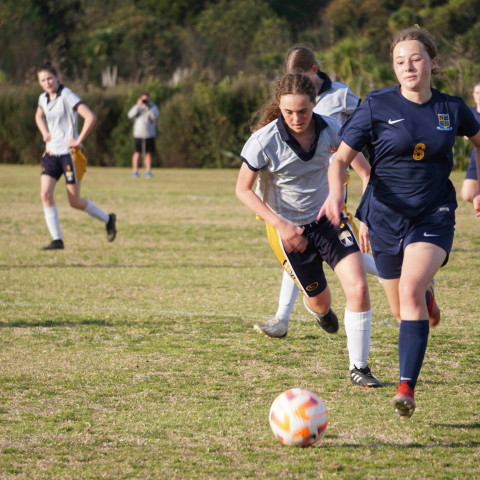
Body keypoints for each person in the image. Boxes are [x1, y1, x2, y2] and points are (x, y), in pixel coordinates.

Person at [320, 26, 480, 417]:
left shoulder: (452, 109)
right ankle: (425, 295)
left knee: (409, 291)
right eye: (399, 61)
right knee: (402, 308)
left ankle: (406, 386)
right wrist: (336, 193)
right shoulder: (376, 106)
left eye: (416, 58)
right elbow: (340, 158)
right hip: (385, 218)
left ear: (433, 62)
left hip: (434, 214)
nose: (408, 67)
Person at [236, 73, 383, 388]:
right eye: (288, 112)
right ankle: (319, 311)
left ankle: (359, 368)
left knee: (357, 286)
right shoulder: (264, 140)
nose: (296, 118)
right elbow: (243, 190)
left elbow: (364, 172)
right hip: (291, 232)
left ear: (314, 105)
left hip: (329, 221)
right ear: (280, 107)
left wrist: (348, 202)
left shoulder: (331, 129)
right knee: (321, 303)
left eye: (303, 111)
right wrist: (281, 225)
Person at [254, 46, 381, 341]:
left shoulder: (340, 97)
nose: (297, 116)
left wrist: (365, 179)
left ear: (313, 72)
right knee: (299, 251)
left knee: (344, 255)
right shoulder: (272, 131)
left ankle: (396, 273)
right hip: (287, 205)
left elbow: (359, 131)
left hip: (330, 195)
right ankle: (287, 317)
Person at [35, 62, 117, 250]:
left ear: (57, 78)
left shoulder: (67, 96)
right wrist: (44, 132)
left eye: (49, 78)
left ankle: (108, 219)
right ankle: (57, 240)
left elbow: (90, 116)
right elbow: (38, 116)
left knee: (75, 202)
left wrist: (78, 139)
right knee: (45, 194)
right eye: (42, 80)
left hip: (68, 155)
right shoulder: (42, 98)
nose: (47, 83)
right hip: (50, 154)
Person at [127, 93, 159, 178]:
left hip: (149, 133)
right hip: (138, 133)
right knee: (137, 152)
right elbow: (130, 115)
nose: (145, 101)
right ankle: (135, 171)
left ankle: (148, 171)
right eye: (143, 99)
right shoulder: (137, 107)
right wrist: (138, 106)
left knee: (148, 153)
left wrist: (146, 108)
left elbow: (153, 117)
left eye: (146, 99)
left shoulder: (153, 107)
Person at [461, 83, 480, 202]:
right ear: (473, 95)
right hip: (476, 158)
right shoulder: (469, 113)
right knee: (467, 194)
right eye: (477, 93)